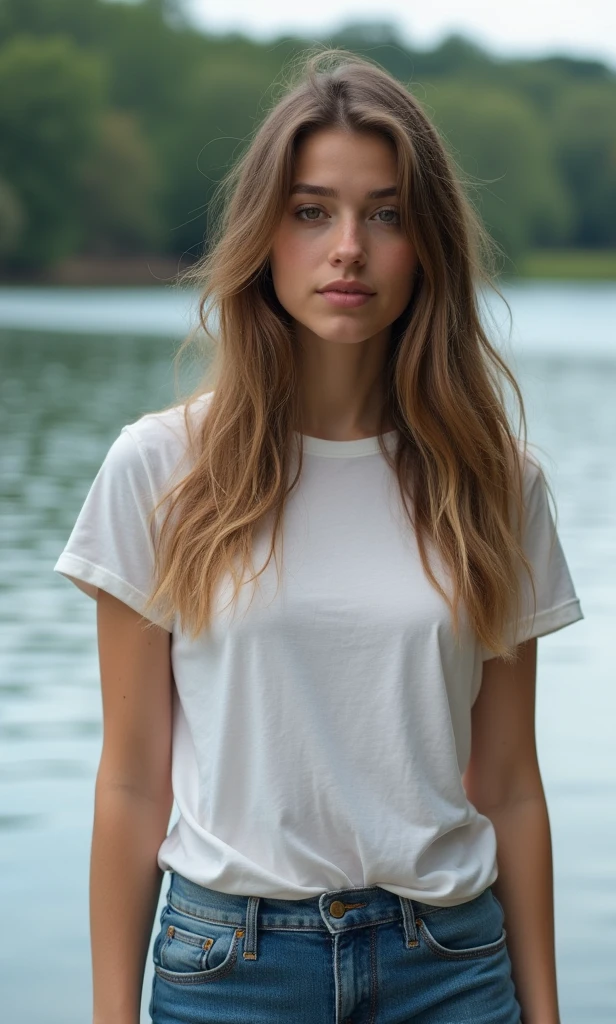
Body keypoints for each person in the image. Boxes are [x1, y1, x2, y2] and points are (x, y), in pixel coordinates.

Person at [54, 47, 584, 1024]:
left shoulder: (497, 483)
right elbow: (132, 782)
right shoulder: (159, 469)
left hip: (452, 965)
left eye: (385, 214)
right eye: (312, 210)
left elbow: (509, 783)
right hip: (228, 969)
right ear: (266, 234)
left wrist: (544, 1013)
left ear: (425, 245)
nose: (349, 246)